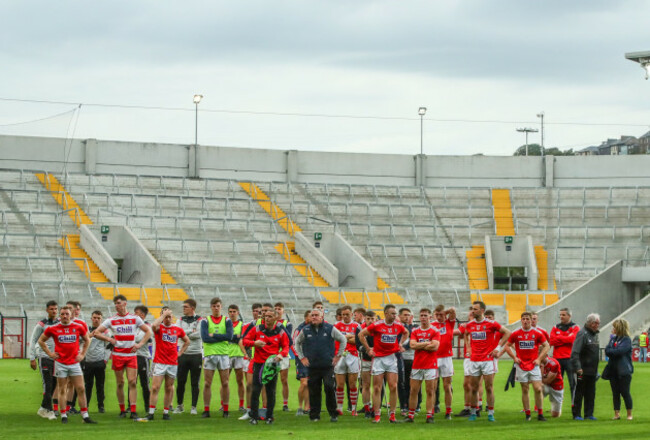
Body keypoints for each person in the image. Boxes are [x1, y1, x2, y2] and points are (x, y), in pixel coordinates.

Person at [93, 295, 152, 419]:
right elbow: (96, 332)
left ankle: (133, 410)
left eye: (119, 303)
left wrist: (140, 344)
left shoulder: (135, 319)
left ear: (125, 303)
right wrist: (109, 339)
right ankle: (122, 410)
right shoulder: (111, 320)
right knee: (120, 383)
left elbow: (148, 331)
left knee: (132, 382)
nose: (116, 305)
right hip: (118, 355)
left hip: (131, 355)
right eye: (115, 303)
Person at [38, 305, 96, 424]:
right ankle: (63, 414)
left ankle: (85, 415)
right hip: (60, 363)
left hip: (74, 363)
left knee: (80, 388)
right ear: (60, 315)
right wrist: (50, 353)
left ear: (71, 315)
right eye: (62, 314)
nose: (65, 316)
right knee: (62, 389)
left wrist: (83, 354)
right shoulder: (53, 328)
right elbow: (41, 341)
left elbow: (87, 339)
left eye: (67, 314)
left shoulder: (78, 327)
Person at [358, 304, 409, 424]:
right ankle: (377, 415)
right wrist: (368, 349)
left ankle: (392, 415)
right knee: (377, 387)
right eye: (392, 313)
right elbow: (361, 335)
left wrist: (400, 344)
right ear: (386, 313)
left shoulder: (398, 325)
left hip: (391, 358)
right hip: (379, 359)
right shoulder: (377, 325)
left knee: (393, 386)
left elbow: (406, 333)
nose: (394, 316)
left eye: (395, 313)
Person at [295, 308, 347, 422]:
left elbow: (343, 340)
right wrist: (302, 357)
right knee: (314, 390)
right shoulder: (306, 329)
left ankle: (333, 414)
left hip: (327, 365)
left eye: (316, 315)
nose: (313, 317)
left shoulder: (330, 328)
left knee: (329, 387)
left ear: (322, 316)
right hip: (312, 366)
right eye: (312, 315)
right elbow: (297, 343)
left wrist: (338, 355)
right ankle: (314, 415)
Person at [498, 312, 550, 422]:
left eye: (527, 319)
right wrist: (514, 358)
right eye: (523, 319)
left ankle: (540, 413)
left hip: (534, 364)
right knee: (525, 389)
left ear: (531, 320)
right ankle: (528, 414)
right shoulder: (516, 333)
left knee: (538, 388)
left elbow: (547, 345)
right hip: (521, 365)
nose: (525, 321)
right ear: (521, 320)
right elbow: (507, 345)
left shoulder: (537, 333)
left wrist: (539, 359)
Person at [464, 301, 511, 422]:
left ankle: (491, 413)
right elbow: (466, 334)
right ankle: (474, 412)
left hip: (487, 360)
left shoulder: (491, 323)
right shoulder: (470, 325)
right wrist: (468, 347)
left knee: (489, 387)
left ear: (482, 310)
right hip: (474, 360)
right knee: (474, 388)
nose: (473, 311)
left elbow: (507, 333)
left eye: (475, 309)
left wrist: (497, 348)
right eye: (472, 309)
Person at [242, 309, 290, 425]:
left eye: (269, 316)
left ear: (275, 318)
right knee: (256, 390)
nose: (267, 318)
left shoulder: (280, 332)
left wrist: (280, 355)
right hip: (259, 364)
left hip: (272, 365)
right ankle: (254, 417)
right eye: (266, 316)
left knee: (271, 391)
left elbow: (286, 347)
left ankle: (269, 416)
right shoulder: (257, 329)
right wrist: (255, 343)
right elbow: (245, 340)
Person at [147, 308, 190, 420]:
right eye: (166, 316)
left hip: (172, 363)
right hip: (160, 362)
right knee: (155, 387)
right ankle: (151, 412)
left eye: (169, 316)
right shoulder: (159, 328)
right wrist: (162, 315)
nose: (168, 318)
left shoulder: (177, 329)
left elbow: (187, 341)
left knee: (169, 387)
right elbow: (153, 326)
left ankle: (165, 412)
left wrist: (180, 352)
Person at [404, 308, 440, 424]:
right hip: (417, 364)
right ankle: (411, 415)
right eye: (422, 315)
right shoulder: (415, 331)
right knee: (413, 390)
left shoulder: (435, 331)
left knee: (430, 391)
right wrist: (426, 343)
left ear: (430, 317)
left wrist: (419, 345)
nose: (423, 317)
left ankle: (429, 415)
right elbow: (412, 345)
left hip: (430, 365)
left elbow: (434, 347)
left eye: (425, 315)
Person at [200, 297, 233, 418]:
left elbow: (229, 336)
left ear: (221, 307)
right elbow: (205, 338)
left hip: (223, 354)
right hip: (209, 354)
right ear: (211, 307)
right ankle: (206, 409)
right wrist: (221, 336)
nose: (216, 308)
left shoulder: (227, 320)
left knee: (225, 383)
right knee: (207, 383)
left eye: (218, 306)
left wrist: (213, 335)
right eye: (214, 306)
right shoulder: (206, 321)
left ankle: (226, 409)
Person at [30, 300, 59, 420]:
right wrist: (32, 358)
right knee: (48, 384)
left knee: (54, 384)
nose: (54, 311)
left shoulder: (60, 324)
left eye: (55, 309)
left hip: (57, 359)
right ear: (47, 310)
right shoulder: (41, 324)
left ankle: (43, 408)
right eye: (51, 309)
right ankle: (49, 411)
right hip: (44, 357)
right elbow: (33, 340)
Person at [174, 298, 202, 415]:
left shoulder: (200, 320)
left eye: (185, 307)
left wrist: (185, 333)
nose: (183, 309)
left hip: (196, 354)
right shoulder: (180, 320)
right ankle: (180, 405)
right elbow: (177, 333)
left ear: (192, 308)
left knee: (195, 382)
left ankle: (193, 407)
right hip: (183, 354)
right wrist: (191, 332)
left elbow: (199, 334)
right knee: (180, 381)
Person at [570, 313, 600, 421]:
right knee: (579, 391)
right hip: (582, 370)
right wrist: (578, 367)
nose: (598, 325)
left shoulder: (595, 335)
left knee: (591, 393)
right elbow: (575, 352)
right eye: (596, 323)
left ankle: (589, 414)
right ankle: (577, 414)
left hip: (592, 371)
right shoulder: (582, 334)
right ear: (591, 323)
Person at [333, 305, 362, 416]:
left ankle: (353, 408)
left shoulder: (357, 326)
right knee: (339, 384)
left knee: (352, 384)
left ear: (351, 314)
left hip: (353, 356)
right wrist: (349, 337)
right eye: (343, 314)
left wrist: (344, 338)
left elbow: (358, 341)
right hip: (340, 356)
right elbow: (335, 338)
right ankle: (339, 408)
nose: (345, 316)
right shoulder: (336, 325)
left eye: (347, 314)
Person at [604, 318, 634, 421]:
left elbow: (620, 351)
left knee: (625, 392)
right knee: (615, 393)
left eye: (614, 327)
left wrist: (612, 351)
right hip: (613, 370)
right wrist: (613, 351)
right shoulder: (613, 339)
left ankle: (629, 414)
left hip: (624, 370)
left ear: (619, 328)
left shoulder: (626, 340)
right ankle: (617, 414)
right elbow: (607, 350)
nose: (613, 329)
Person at [237, 302, 262, 420]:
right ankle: (249, 410)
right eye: (255, 311)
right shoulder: (247, 325)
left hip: (262, 358)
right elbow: (241, 341)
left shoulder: (265, 325)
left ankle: (264, 410)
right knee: (249, 384)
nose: (257, 313)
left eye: (259, 311)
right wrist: (245, 354)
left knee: (264, 386)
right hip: (250, 358)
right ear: (252, 312)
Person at [550, 308, 580, 405]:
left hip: (570, 359)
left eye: (563, 315)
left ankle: (574, 403)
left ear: (569, 316)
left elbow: (573, 339)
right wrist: (566, 338)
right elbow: (552, 341)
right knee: (557, 383)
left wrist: (559, 338)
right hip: (557, 359)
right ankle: (557, 404)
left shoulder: (575, 327)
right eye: (560, 315)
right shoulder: (555, 327)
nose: (561, 317)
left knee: (573, 383)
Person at [431, 305, 456, 419]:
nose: (440, 317)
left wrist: (443, 312)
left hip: (446, 358)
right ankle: (431, 410)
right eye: (437, 315)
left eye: (441, 315)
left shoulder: (449, 323)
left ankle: (448, 411)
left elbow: (453, 310)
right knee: (432, 386)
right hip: (434, 357)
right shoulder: (432, 325)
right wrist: (437, 314)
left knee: (447, 386)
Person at [85, 310, 110, 413]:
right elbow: (82, 342)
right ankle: (85, 406)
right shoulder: (86, 330)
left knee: (100, 385)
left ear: (101, 319)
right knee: (87, 386)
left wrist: (105, 360)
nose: (96, 320)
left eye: (98, 318)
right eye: (94, 317)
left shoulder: (105, 331)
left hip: (100, 361)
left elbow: (108, 347)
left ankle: (101, 406)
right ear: (91, 318)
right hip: (88, 361)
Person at [358, 310, 378, 418]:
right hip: (366, 360)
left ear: (376, 319)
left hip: (378, 360)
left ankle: (375, 408)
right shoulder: (360, 328)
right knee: (365, 385)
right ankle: (367, 409)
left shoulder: (379, 328)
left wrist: (376, 349)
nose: (370, 321)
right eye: (368, 319)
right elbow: (358, 345)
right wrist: (367, 349)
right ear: (365, 319)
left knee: (376, 386)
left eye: (372, 319)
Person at [274, 302, 293, 411]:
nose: (277, 310)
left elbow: (288, 338)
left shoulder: (287, 323)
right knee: (271, 379)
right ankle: (270, 402)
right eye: (275, 308)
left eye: (279, 309)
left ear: (283, 311)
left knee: (284, 380)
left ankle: (285, 404)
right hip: (272, 353)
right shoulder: (269, 322)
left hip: (283, 354)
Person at [227, 304, 246, 413]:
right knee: (225, 381)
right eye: (230, 311)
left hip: (239, 354)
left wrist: (231, 337)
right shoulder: (225, 324)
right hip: (227, 354)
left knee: (240, 381)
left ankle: (241, 404)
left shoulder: (242, 325)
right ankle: (223, 404)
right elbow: (228, 337)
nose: (232, 313)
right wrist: (236, 337)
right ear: (228, 313)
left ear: (238, 313)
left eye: (234, 311)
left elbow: (242, 339)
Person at [133, 305, 152, 413]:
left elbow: (139, 338)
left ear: (142, 315)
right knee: (132, 382)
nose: (134, 315)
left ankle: (148, 406)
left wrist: (130, 339)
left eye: (136, 312)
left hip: (143, 357)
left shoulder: (147, 326)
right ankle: (131, 406)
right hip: (132, 357)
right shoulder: (133, 326)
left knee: (145, 383)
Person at [397, 308, 415, 416]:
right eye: (404, 315)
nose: (407, 317)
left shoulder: (412, 328)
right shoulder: (396, 327)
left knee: (410, 383)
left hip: (410, 358)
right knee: (401, 383)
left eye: (408, 315)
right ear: (399, 316)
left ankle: (411, 405)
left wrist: (405, 346)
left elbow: (413, 339)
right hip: (399, 358)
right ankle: (403, 405)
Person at [294, 310, 311, 416]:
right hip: (301, 359)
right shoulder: (299, 329)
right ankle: (300, 407)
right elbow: (294, 343)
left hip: (311, 359)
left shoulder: (314, 328)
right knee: (303, 382)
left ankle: (307, 407)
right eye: (310, 316)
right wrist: (300, 357)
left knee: (309, 383)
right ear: (305, 318)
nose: (313, 318)